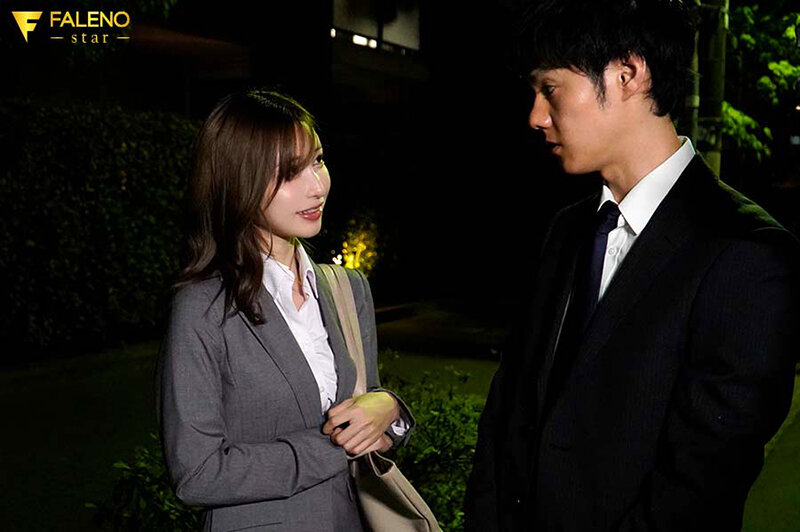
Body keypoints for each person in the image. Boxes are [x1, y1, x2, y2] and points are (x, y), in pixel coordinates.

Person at [465, 1, 800, 530]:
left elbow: (700, 485)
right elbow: (508, 414)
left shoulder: (747, 254)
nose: (535, 116)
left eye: (550, 88)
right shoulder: (566, 231)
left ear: (628, 74)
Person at [157, 89, 414, 532]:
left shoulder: (348, 289)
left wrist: (391, 410)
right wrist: (335, 448)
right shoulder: (203, 307)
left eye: (317, 160)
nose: (317, 186)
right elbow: (196, 474)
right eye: (289, 173)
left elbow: (365, 413)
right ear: (238, 181)